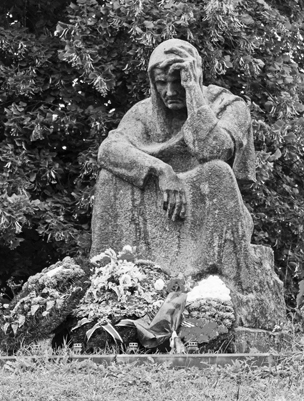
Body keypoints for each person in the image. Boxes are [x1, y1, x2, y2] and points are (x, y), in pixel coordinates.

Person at [91, 39, 266, 325]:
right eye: (161, 83)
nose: (170, 91)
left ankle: (214, 284)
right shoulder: (143, 113)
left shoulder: (229, 105)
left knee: (217, 172)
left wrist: (193, 91)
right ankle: (113, 279)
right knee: (110, 176)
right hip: (160, 203)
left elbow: (213, 149)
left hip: (207, 205)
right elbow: (108, 150)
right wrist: (161, 171)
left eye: (178, 83)